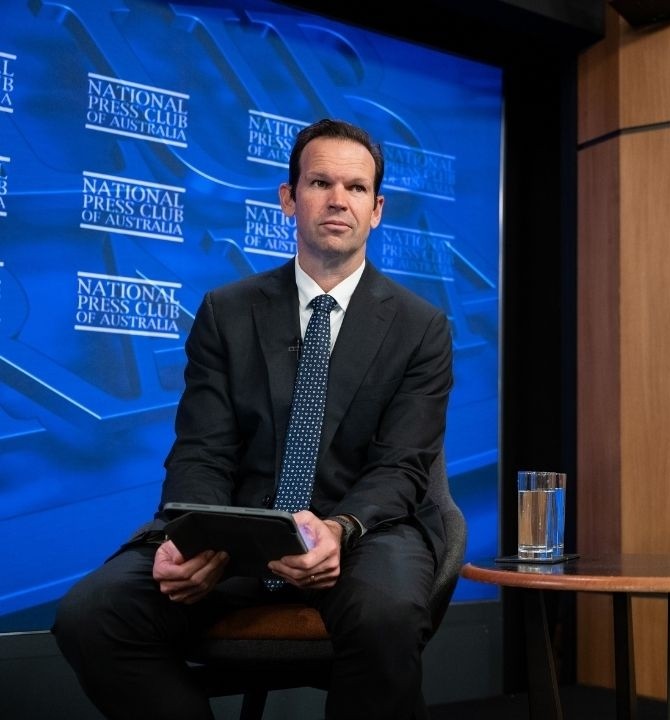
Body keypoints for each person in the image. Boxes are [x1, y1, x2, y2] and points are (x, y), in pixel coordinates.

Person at [53, 118, 453, 719]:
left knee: (386, 616)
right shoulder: (226, 312)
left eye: (356, 188)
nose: (338, 199)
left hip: (363, 532)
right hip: (240, 532)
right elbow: (201, 450)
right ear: (289, 199)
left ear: (376, 210)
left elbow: (402, 466)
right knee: (91, 615)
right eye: (320, 182)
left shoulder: (422, 328)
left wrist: (339, 530)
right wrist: (197, 539)